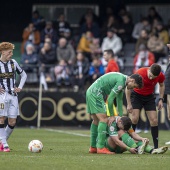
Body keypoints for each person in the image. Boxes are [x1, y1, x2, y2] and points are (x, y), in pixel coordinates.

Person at [87, 72, 143, 154]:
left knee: (96, 120)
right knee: (104, 119)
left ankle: (93, 147)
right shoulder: (121, 82)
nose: (132, 89)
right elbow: (110, 99)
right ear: (132, 80)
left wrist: (120, 116)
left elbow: (119, 100)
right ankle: (100, 147)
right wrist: (113, 116)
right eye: (134, 86)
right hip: (96, 93)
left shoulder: (123, 81)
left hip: (92, 92)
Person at [126, 63, 165, 149]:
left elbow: (161, 85)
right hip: (137, 95)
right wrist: (129, 103)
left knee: (154, 120)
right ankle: (131, 143)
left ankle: (156, 147)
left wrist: (161, 99)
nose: (151, 78)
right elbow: (128, 87)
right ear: (149, 70)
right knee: (135, 118)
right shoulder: (140, 72)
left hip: (149, 97)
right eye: (150, 76)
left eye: (153, 77)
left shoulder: (160, 75)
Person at [0, 42, 27, 152]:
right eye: (9, 52)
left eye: (11, 52)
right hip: (2, 95)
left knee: (12, 122)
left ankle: (2, 141)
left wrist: (19, 87)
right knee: (1, 118)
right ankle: (5, 145)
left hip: (13, 95)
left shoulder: (13, 63)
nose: (11, 54)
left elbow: (24, 75)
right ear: (2, 52)